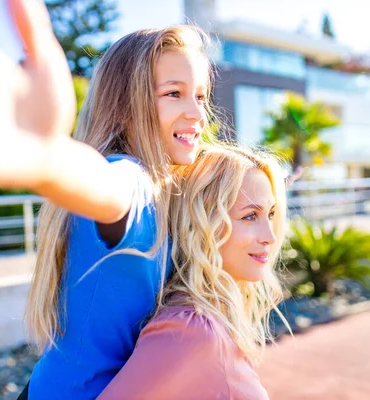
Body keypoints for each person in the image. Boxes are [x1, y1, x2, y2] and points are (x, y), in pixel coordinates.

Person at [0, 0, 219, 398]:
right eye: (174, 93)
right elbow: (100, 182)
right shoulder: (130, 181)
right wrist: (43, 156)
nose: (197, 113)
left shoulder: (176, 190)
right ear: (125, 107)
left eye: (202, 96)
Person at [98, 144, 291, 399]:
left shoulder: (210, 322)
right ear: (202, 222)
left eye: (271, 214)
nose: (270, 236)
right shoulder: (191, 331)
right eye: (250, 216)